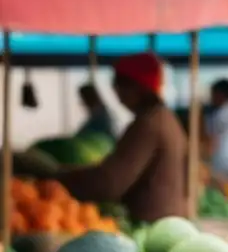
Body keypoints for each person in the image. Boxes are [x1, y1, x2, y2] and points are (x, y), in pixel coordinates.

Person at [50, 52, 187, 222]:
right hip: (167, 220)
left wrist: (56, 176)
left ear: (136, 87)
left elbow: (110, 183)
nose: (118, 97)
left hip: (151, 224)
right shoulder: (165, 118)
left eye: (118, 88)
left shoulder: (148, 124)